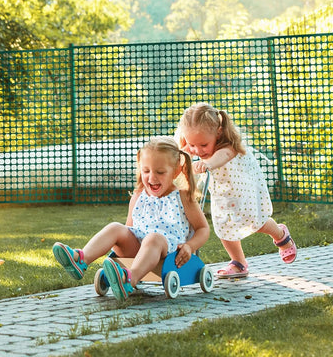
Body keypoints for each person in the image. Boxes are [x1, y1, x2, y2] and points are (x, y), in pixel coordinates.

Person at [52, 136, 210, 301]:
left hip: (167, 252)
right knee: (116, 227)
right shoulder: (138, 195)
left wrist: (190, 246)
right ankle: (80, 260)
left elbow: (203, 229)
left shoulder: (182, 196)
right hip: (138, 250)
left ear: (176, 171)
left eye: (160, 172)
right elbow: (129, 228)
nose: (151, 178)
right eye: (146, 171)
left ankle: (130, 279)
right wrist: (120, 244)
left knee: (153, 238)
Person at [176, 102, 297, 279]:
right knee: (223, 226)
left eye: (203, 145)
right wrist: (180, 156)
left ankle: (280, 235)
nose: (197, 150)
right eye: (192, 144)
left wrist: (207, 163)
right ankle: (238, 263)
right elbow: (182, 153)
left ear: (218, 132)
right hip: (223, 194)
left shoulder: (229, 146)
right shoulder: (197, 144)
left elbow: (220, 157)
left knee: (256, 221)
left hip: (244, 190)